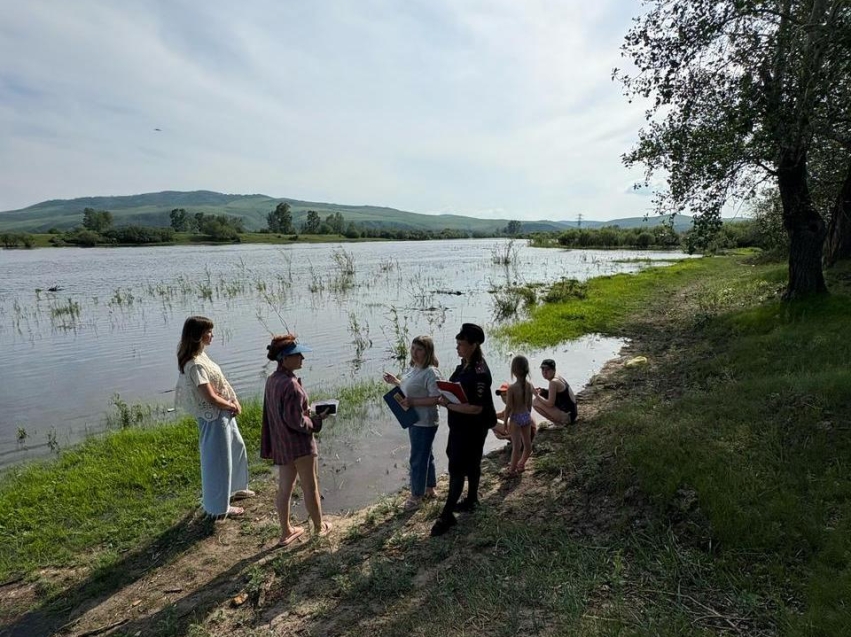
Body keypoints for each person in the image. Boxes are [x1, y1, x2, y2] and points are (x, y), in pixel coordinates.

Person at [176, 316, 252, 519]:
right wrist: (231, 405)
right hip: (214, 418)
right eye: (209, 331)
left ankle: (235, 488)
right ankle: (219, 507)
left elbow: (220, 384)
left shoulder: (202, 356)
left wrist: (232, 403)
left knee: (237, 447)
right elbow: (209, 396)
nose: (212, 335)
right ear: (198, 335)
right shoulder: (195, 365)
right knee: (218, 461)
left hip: (223, 414)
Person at [261, 333, 333, 546]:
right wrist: (317, 420)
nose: (302, 358)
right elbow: (298, 423)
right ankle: (320, 528)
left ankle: (286, 532)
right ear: (285, 358)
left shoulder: (272, 380)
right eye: (297, 354)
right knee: (310, 487)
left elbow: (283, 413)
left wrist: (305, 410)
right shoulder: (291, 385)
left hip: (282, 444)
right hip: (299, 446)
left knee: (285, 488)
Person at [431, 323, 496, 537]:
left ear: (474, 345)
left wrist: (447, 405)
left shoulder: (479, 373)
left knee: (457, 468)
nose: (457, 347)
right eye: (457, 343)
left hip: (472, 428)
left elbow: (476, 408)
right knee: (469, 462)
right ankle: (471, 499)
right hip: (460, 426)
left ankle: (447, 514)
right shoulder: (464, 365)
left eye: (461, 344)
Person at [382, 336, 442, 510]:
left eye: (419, 349)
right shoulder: (415, 368)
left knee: (417, 458)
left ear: (428, 352)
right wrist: (396, 382)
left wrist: (412, 402)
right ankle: (430, 488)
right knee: (426, 454)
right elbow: (411, 387)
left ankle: (416, 496)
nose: (414, 353)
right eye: (413, 348)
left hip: (425, 421)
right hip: (413, 419)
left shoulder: (431, 372)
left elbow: (437, 398)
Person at [504, 355, 535, 475]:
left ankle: (512, 470)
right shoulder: (529, 386)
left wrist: (506, 422)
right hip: (526, 416)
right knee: (527, 445)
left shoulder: (511, 388)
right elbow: (529, 406)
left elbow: (508, 408)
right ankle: (521, 464)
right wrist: (527, 417)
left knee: (516, 446)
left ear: (514, 370)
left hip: (515, 419)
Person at [533, 358, 578, 425]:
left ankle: (559, 423)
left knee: (535, 402)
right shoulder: (558, 377)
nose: (545, 372)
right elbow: (558, 393)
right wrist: (543, 391)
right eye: (543, 369)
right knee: (541, 397)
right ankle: (559, 422)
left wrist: (536, 395)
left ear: (554, 370)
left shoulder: (553, 382)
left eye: (548, 369)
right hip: (573, 414)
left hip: (568, 417)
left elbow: (550, 404)